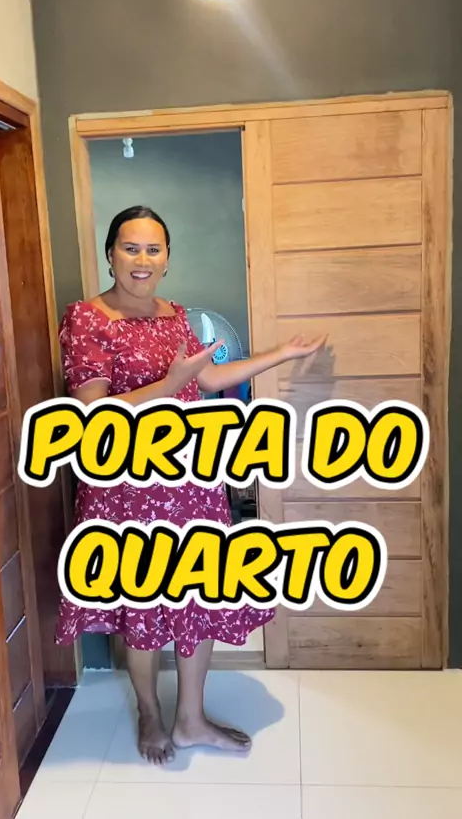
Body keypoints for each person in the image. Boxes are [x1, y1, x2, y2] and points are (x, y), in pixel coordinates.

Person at [56, 205, 326, 765]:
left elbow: (210, 377)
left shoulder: (175, 315)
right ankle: (150, 712)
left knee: (200, 591)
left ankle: (191, 720)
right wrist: (167, 384)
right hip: (126, 488)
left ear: (167, 259)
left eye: (153, 249)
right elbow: (93, 413)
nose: (142, 259)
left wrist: (282, 354)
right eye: (131, 247)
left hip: (189, 481)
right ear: (110, 254)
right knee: (142, 601)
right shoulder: (86, 319)